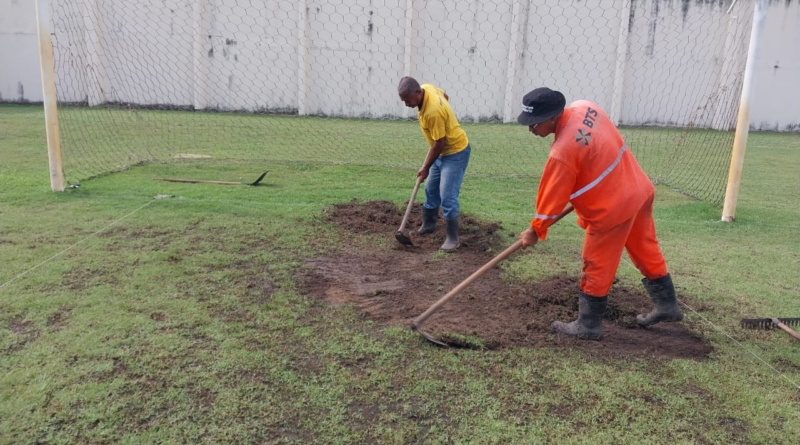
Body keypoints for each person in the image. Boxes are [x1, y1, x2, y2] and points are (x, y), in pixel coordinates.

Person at [516, 87, 683, 340]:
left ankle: (588, 325)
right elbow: (598, 144)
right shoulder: (586, 106)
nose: (531, 129)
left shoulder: (562, 152)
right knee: (644, 247)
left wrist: (535, 230)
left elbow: (551, 198)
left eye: (535, 124)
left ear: (553, 117)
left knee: (597, 262)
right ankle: (667, 305)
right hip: (638, 188)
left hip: (613, 207)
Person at [398, 76, 471, 251]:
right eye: (403, 100)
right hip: (440, 151)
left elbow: (440, 143)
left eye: (407, 99)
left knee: (447, 195)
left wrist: (425, 168)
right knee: (431, 189)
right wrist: (448, 117)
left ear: (417, 93)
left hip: (455, 152)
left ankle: (453, 238)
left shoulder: (433, 112)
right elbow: (445, 96)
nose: (406, 103)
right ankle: (429, 224)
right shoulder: (426, 88)